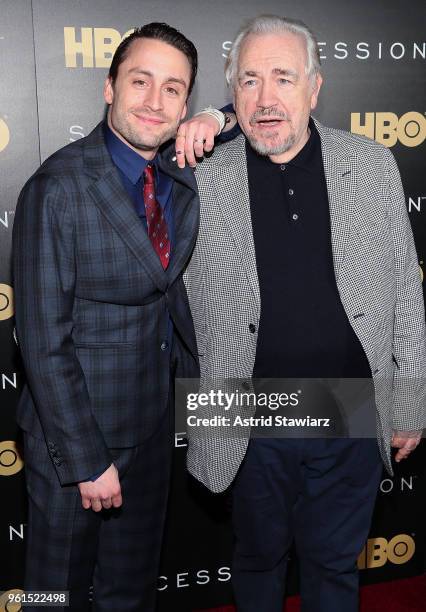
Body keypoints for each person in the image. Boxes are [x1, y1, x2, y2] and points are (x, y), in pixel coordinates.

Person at [182, 15, 426, 612]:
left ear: (314, 89)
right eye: (249, 81)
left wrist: (412, 402)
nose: (266, 98)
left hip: (351, 405)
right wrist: (208, 119)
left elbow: (406, 296)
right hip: (241, 408)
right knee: (257, 561)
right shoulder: (195, 177)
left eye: (284, 78)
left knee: (334, 568)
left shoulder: (371, 165)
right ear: (231, 94)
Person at [13, 23, 200, 611]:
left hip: (149, 429)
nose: (154, 101)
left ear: (186, 104)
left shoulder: (177, 176)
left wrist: (216, 120)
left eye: (173, 89)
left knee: (131, 590)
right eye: (140, 81)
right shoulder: (58, 186)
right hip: (76, 443)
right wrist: (89, 461)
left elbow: (266, 106)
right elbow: (43, 340)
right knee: (53, 594)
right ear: (108, 87)